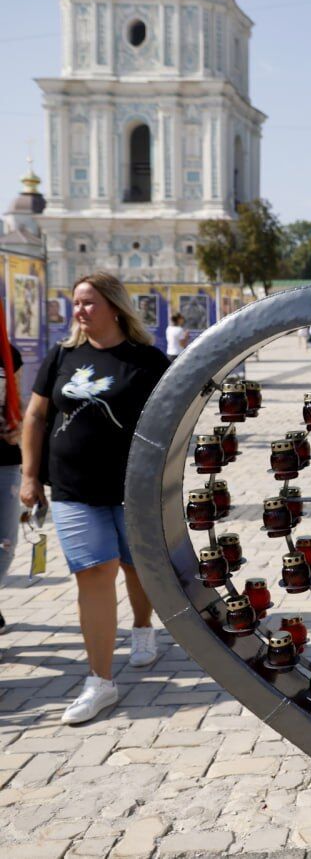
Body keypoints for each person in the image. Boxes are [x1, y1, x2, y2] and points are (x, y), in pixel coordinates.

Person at [20, 272, 170, 724]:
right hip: (71, 486)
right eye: (76, 304)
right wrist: (30, 477)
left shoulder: (146, 360)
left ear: (114, 307)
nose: (79, 312)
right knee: (95, 571)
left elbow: (169, 420)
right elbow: (35, 414)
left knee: (134, 565)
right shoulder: (64, 355)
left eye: (88, 303)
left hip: (131, 488)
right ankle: (100, 681)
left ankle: (142, 629)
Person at [0, 337, 24, 634]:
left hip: (4, 459)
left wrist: (17, 425)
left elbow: (19, 403)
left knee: (5, 543)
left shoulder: (8, 354)